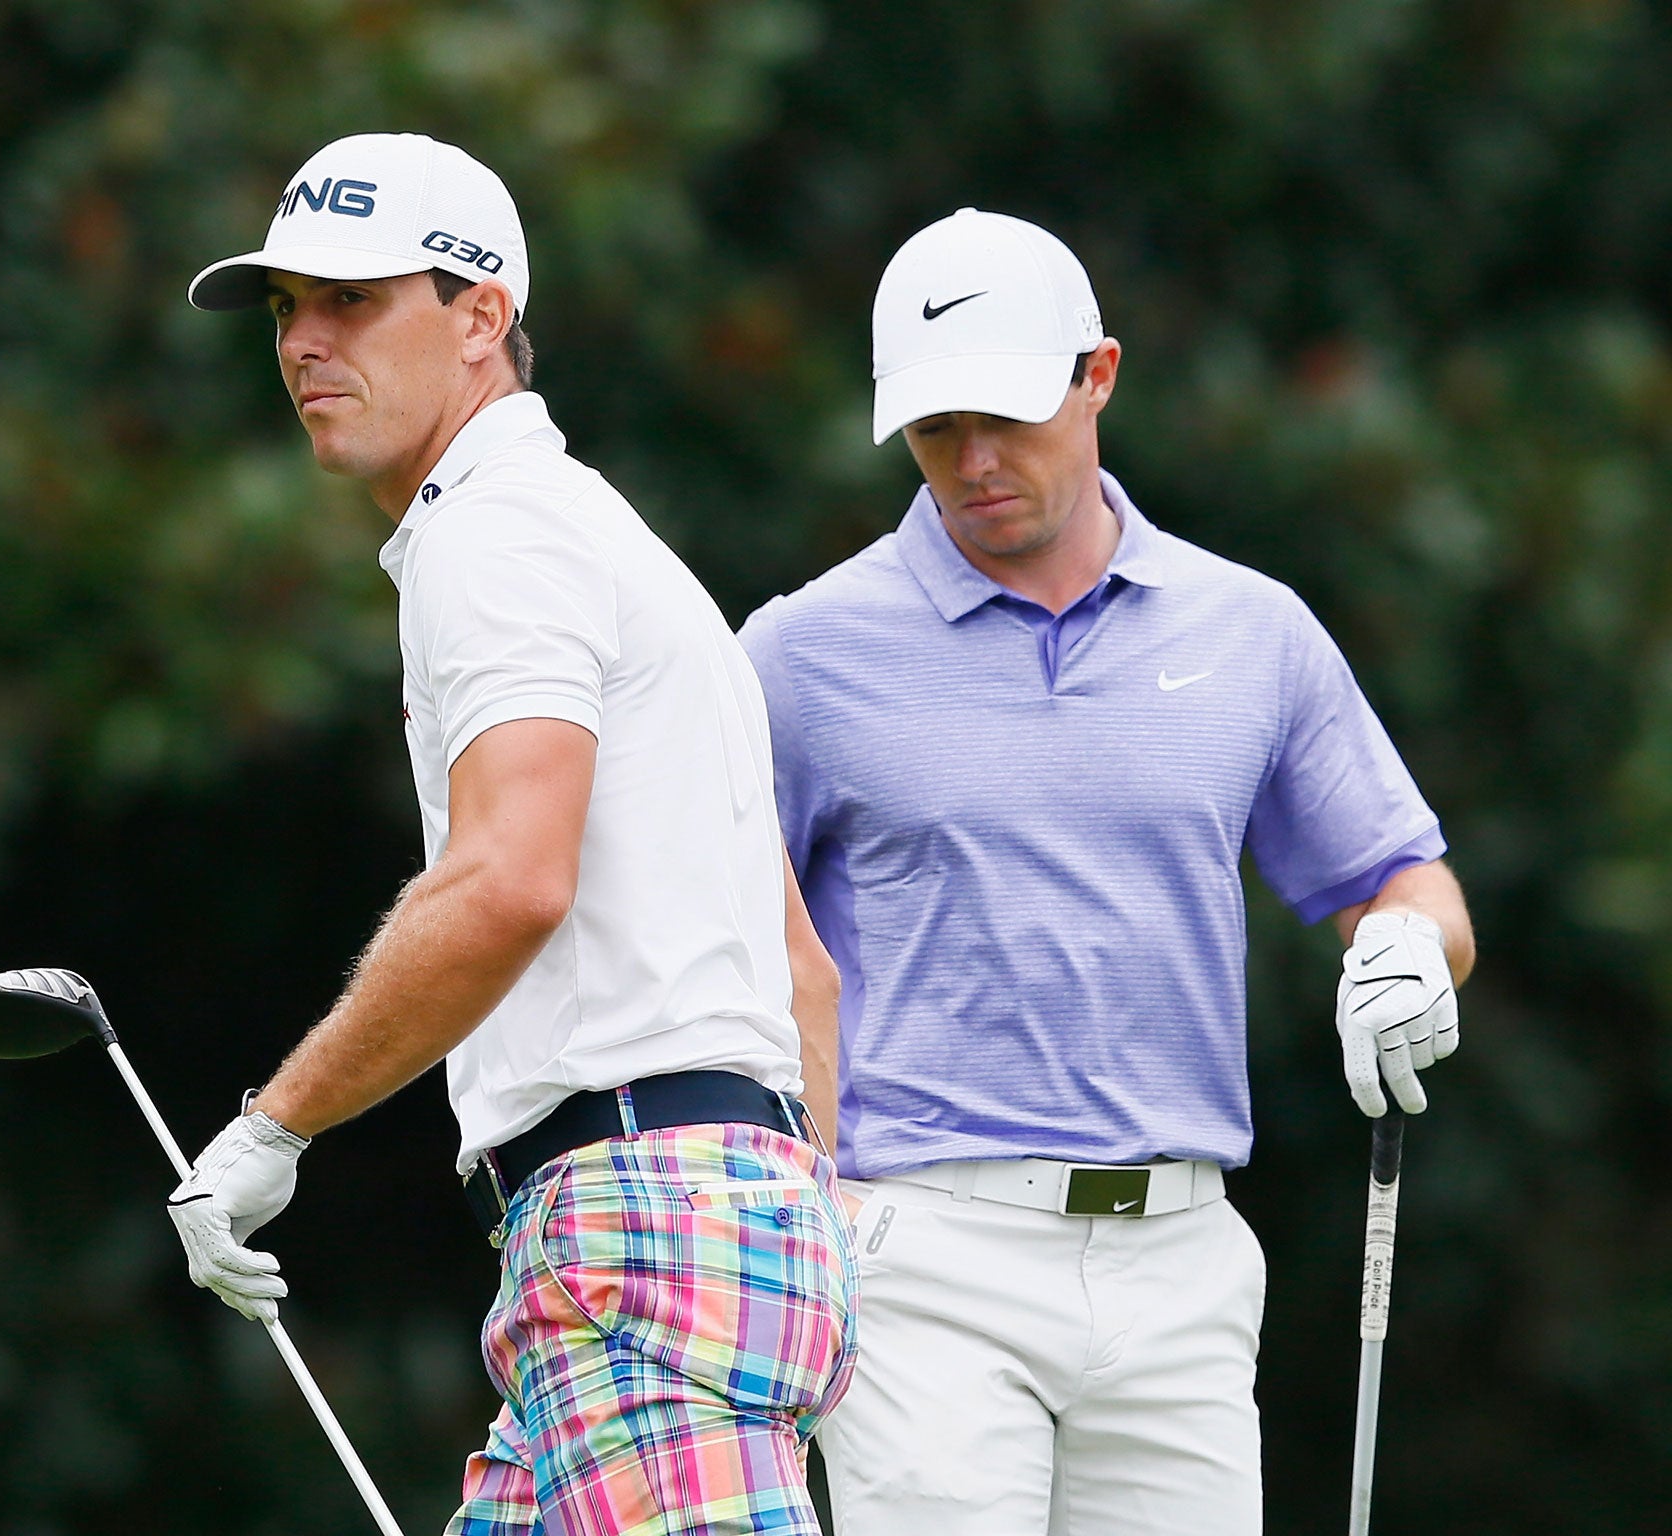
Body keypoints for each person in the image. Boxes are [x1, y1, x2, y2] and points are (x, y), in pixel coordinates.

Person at [736, 208, 1475, 1536]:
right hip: (922, 1250)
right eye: (934, 427)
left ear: (1101, 376)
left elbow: (1402, 877)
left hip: (1183, 1262)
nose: (971, 462)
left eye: (1008, 417)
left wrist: (1409, 950)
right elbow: (707, 941)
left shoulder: (1251, 633)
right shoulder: (803, 653)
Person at [165, 132, 857, 1536]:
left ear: (481, 318)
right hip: (708, 1218)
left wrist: (274, 1126)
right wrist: (802, 1227)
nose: (304, 340)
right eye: (290, 307)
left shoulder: (497, 534)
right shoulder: (597, 534)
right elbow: (806, 977)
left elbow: (506, 883)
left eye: (352, 300)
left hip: (637, 1236)